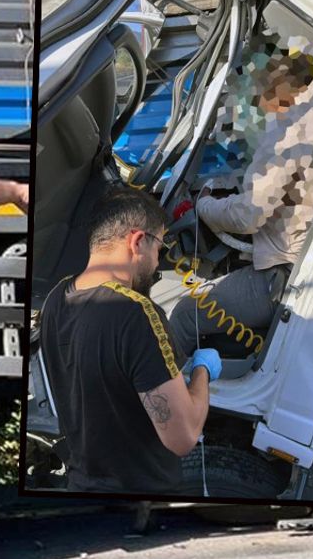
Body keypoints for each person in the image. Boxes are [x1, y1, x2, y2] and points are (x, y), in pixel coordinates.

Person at [167, 43, 313, 356]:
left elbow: (249, 216)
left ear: (279, 87)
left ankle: (168, 401)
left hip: (287, 277)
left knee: (183, 316)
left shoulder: (288, 129)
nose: (260, 104)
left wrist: (203, 206)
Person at [39, 187, 221, 494]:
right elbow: (183, 437)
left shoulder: (56, 298)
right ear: (138, 241)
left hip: (80, 485)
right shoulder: (135, 313)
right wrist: (202, 372)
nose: (156, 263)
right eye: (159, 250)